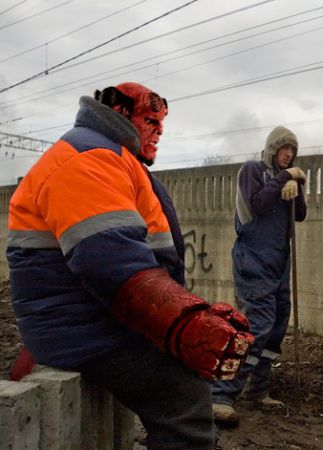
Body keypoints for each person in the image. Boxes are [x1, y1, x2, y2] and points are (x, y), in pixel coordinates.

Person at [6, 82, 254, 450]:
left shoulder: (109, 156)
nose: (160, 129)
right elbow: (108, 259)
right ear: (120, 114)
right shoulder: (89, 159)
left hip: (89, 317)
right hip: (87, 326)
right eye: (150, 119)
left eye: (162, 122)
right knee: (184, 397)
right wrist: (183, 322)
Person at [211, 125, 307, 426]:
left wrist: (297, 187)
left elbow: (300, 214)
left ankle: (257, 391)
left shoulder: (285, 180)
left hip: (279, 264)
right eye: (284, 149)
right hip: (253, 260)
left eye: (292, 151)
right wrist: (284, 179)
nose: (288, 155)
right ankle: (219, 395)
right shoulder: (252, 170)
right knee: (257, 325)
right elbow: (258, 203)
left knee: (276, 326)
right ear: (271, 149)